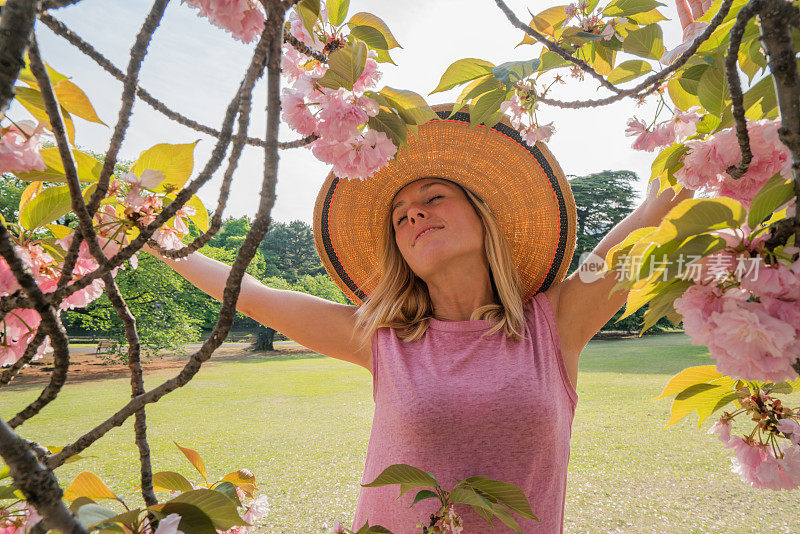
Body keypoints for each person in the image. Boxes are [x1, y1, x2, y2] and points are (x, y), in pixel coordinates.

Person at [144, 6, 704, 531]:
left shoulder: (554, 323)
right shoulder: (380, 339)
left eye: (434, 197)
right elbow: (254, 294)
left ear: (483, 217)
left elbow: (660, 204)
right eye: (399, 215)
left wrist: (700, 57)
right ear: (400, 251)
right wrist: (148, 235)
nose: (413, 213)